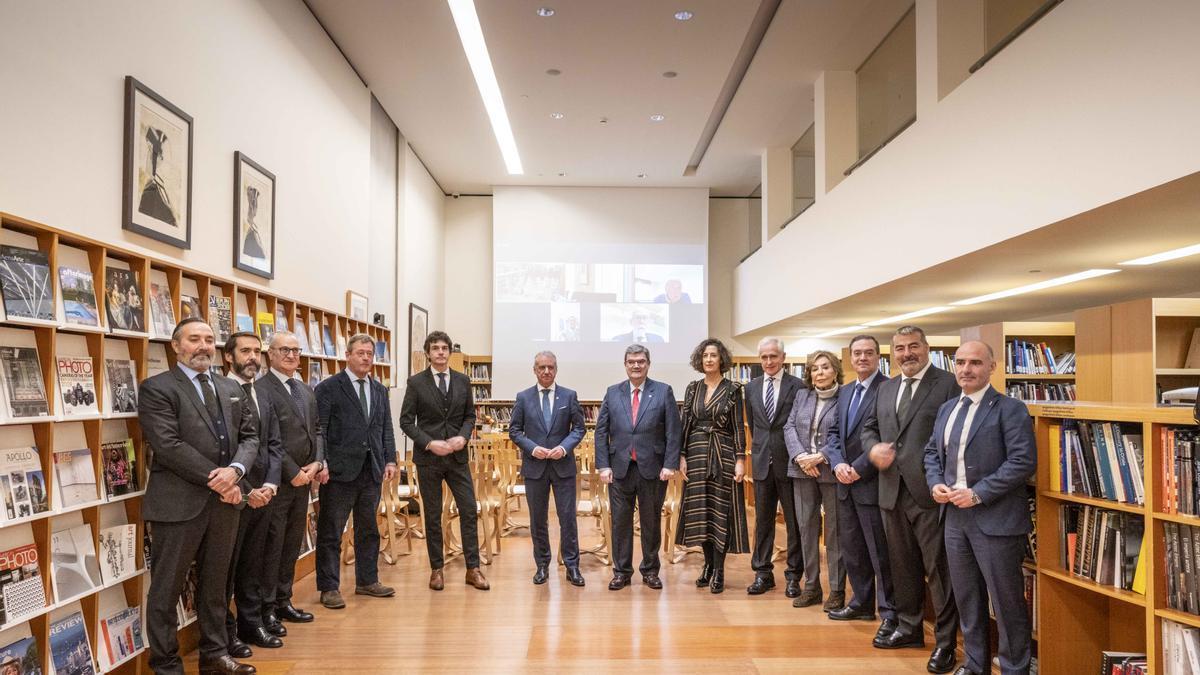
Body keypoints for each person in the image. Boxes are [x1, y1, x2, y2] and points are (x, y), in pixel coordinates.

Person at [138, 317, 258, 675]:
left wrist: (235, 472)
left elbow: (250, 437)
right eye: (194, 339)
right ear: (176, 346)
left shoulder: (229, 387)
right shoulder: (157, 388)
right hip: (178, 505)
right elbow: (167, 445)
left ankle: (214, 655)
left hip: (225, 504)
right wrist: (218, 478)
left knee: (216, 585)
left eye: (209, 339)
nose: (204, 346)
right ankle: (166, 665)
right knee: (166, 590)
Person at [925, 341, 1036, 675]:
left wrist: (978, 493)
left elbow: (1022, 462)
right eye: (960, 362)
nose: (965, 369)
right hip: (954, 519)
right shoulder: (947, 409)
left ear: (992, 367)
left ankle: (1015, 668)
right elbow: (931, 453)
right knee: (968, 598)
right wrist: (935, 483)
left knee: (1007, 603)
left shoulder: (1009, 409)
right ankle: (976, 666)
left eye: (975, 362)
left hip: (996, 520)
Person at [863, 325, 961, 674]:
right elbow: (869, 428)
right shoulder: (887, 388)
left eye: (914, 346)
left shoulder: (948, 383)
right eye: (901, 348)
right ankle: (908, 628)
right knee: (901, 566)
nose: (907, 353)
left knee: (939, 571)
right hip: (891, 491)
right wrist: (872, 447)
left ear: (927, 348)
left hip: (929, 493)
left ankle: (947, 643)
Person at [399, 330, 490, 592]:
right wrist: (429, 442)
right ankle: (436, 569)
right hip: (429, 459)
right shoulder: (416, 383)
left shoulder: (463, 381)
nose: (440, 352)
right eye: (435, 348)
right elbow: (406, 421)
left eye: (444, 348)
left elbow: (470, 416)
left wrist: (463, 437)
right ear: (428, 353)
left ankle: (473, 568)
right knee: (433, 513)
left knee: (468, 509)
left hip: (458, 457)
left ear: (450, 352)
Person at [315, 333, 398, 607]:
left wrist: (389, 460)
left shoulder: (379, 390)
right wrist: (321, 461)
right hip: (338, 471)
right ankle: (329, 587)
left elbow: (385, 428)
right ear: (348, 355)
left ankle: (367, 580)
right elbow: (321, 429)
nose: (365, 358)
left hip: (371, 469)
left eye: (369, 354)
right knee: (332, 530)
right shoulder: (328, 388)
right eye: (360, 352)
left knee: (369, 529)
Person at [826, 335, 896, 643]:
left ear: (878, 357)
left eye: (869, 353)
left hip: (871, 483)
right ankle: (861, 603)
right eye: (857, 353)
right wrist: (838, 464)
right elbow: (831, 434)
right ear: (850, 359)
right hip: (844, 483)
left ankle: (889, 612)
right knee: (853, 549)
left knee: (880, 552)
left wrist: (858, 468)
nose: (862, 358)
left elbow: (887, 437)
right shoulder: (844, 392)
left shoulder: (888, 389)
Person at [595, 344, 682, 590]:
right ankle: (621, 572)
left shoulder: (663, 391)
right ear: (625, 365)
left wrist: (670, 464)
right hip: (620, 468)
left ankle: (650, 570)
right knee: (620, 522)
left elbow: (673, 432)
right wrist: (603, 465)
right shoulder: (613, 392)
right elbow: (601, 432)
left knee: (651, 521)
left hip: (653, 469)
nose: (636, 365)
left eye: (641, 361)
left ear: (648, 364)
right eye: (631, 361)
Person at [220, 332, 283, 656]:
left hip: (264, 494)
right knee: (227, 569)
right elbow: (223, 451)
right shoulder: (220, 391)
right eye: (246, 351)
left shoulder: (263, 393)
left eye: (257, 351)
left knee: (255, 564)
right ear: (229, 357)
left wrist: (270, 485)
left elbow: (273, 443)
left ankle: (251, 623)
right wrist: (247, 491)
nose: (253, 357)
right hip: (233, 496)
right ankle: (227, 634)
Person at [255, 332, 324, 628]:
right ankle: (266, 607)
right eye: (285, 349)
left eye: (296, 350)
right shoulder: (261, 389)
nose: (292, 355)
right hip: (277, 482)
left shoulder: (305, 389)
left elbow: (318, 429)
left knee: (292, 543)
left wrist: (317, 462)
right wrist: (292, 470)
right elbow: (266, 438)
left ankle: (284, 600)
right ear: (269, 354)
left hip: (304, 480)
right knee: (272, 545)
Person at [676, 338, 749, 593]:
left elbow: (739, 426)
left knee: (720, 511)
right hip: (695, 454)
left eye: (714, 355)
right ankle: (707, 564)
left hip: (723, 454)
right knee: (700, 513)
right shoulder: (692, 388)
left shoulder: (733, 389)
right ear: (700, 359)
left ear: (722, 360)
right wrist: (681, 456)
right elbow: (685, 424)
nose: (709, 359)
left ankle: (719, 569)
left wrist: (741, 460)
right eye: (705, 355)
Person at [508, 351, 587, 586]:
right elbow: (515, 431)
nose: (546, 371)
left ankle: (572, 566)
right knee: (538, 520)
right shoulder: (523, 398)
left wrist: (564, 448)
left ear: (556, 369)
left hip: (563, 467)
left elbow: (579, 429)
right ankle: (542, 565)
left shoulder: (569, 396)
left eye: (550, 367)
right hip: (535, 468)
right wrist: (532, 448)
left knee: (568, 519)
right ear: (534, 370)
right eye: (541, 367)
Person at [783, 350, 847, 611]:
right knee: (807, 530)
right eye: (815, 369)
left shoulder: (846, 396)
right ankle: (811, 586)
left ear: (835, 371)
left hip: (830, 471)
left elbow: (844, 432)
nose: (819, 373)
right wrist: (800, 456)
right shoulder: (802, 395)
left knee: (834, 534)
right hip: (802, 471)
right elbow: (789, 427)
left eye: (825, 367)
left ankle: (837, 589)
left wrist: (820, 457)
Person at [745, 337, 806, 597]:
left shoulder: (799, 386)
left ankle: (794, 576)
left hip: (790, 463)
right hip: (761, 462)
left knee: (794, 521)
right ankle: (762, 573)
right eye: (764, 357)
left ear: (783, 357)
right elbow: (755, 423)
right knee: (763, 521)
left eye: (773, 356)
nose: (769, 362)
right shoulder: (751, 387)